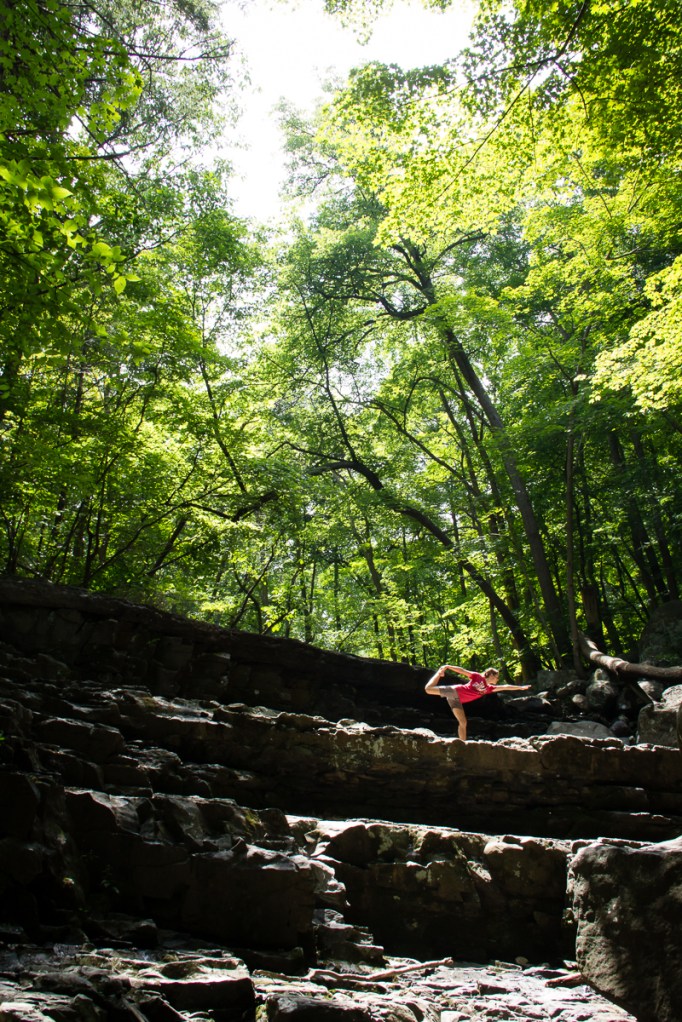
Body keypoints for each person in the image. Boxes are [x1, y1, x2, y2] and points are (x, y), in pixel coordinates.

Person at [424, 664, 531, 741]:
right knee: (428, 689)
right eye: (497, 677)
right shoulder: (477, 676)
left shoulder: (489, 689)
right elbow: (462, 671)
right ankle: (439, 673)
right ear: (491, 676)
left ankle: (462, 743)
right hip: (454, 691)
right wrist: (448, 667)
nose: (497, 679)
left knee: (463, 722)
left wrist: (520, 688)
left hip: (456, 700)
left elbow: (505, 687)